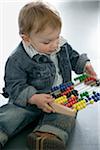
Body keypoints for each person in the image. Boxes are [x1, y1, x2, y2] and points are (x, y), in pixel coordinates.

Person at [0, 1, 97, 150]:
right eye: (47, 41)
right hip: (29, 101)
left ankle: (46, 136)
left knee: (67, 114)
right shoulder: (18, 59)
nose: (54, 45)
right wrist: (32, 97)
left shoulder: (60, 45)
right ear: (27, 39)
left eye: (57, 37)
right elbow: (14, 84)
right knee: (12, 114)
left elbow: (73, 57)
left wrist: (85, 65)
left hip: (60, 96)